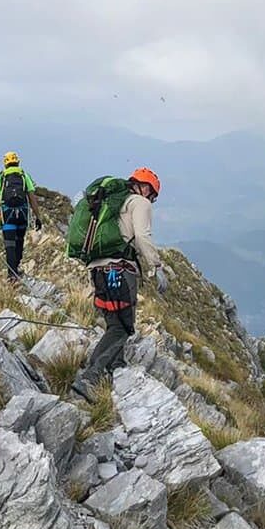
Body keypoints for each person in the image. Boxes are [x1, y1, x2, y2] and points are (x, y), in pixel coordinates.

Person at [70, 168, 168, 400]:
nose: (151, 200)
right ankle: (91, 376)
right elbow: (142, 237)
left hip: (97, 270)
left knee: (113, 322)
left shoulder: (115, 202)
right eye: (152, 195)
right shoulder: (139, 203)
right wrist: (157, 266)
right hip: (119, 270)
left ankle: (115, 368)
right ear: (146, 188)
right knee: (122, 327)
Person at [0, 151, 43, 284]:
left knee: (9, 245)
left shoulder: (0, 179)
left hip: (8, 216)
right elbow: (32, 198)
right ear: (17, 162)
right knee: (19, 241)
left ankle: (12, 275)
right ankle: (16, 268)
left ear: (5, 164)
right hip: (22, 215)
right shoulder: (24, 176)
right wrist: (38, 217)